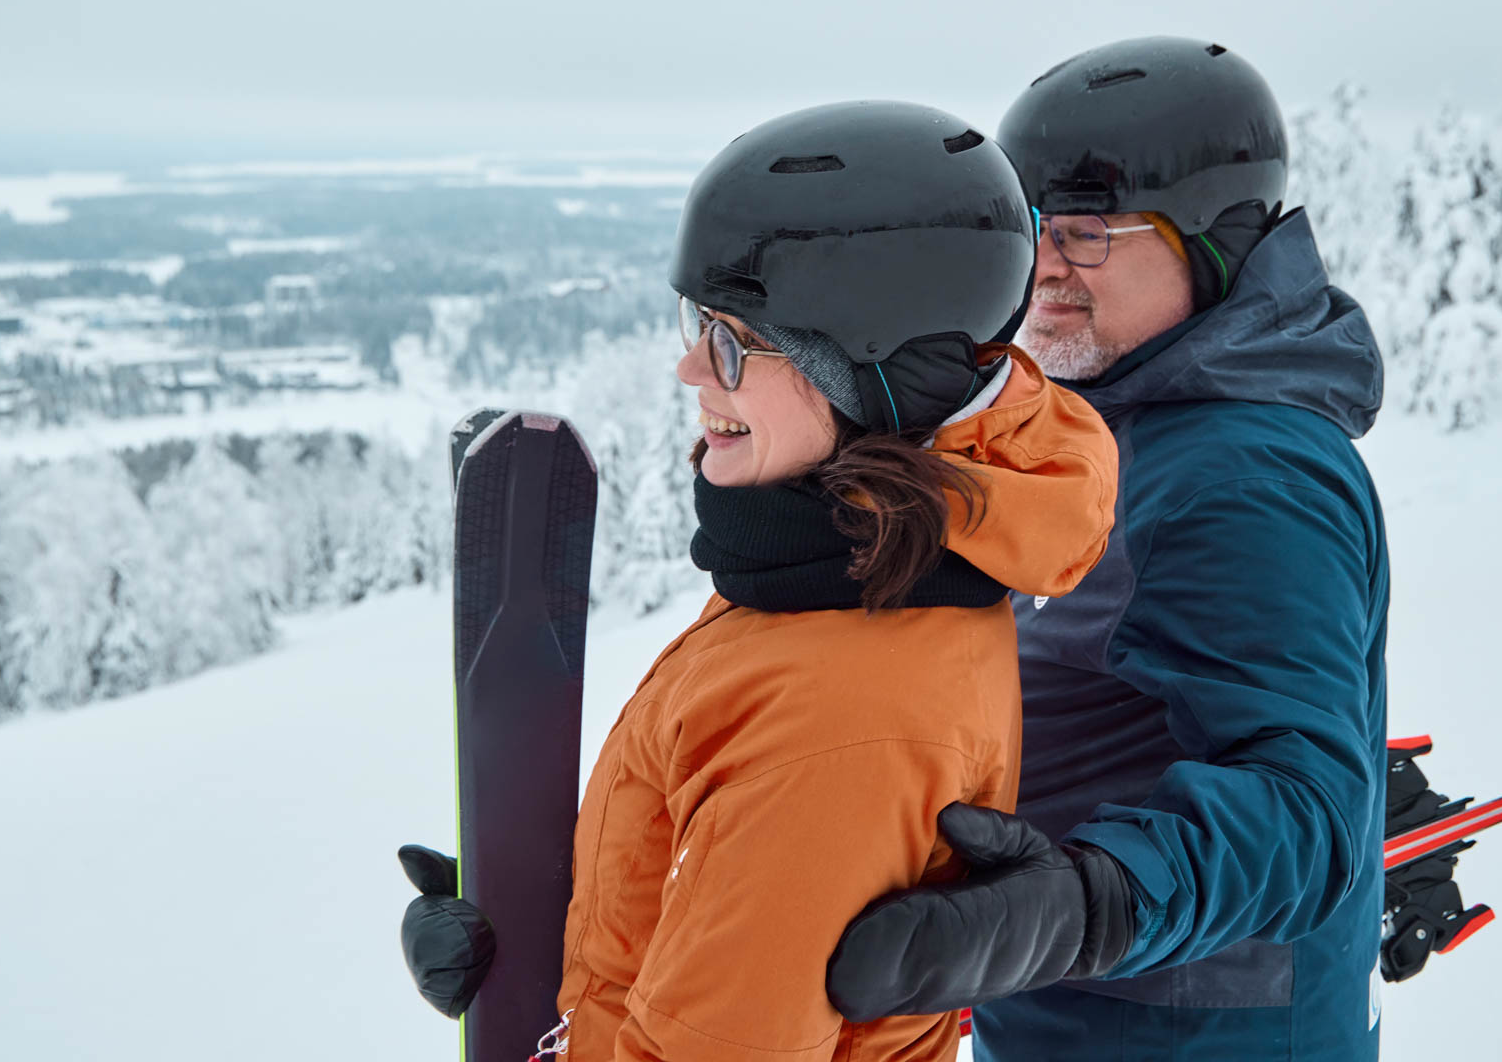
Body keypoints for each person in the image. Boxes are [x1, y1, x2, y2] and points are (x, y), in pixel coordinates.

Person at [399, 100, 1120, 1060]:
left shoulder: (838, 706)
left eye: (735, 342)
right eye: (699, 322)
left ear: (864, 378)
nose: (691, 366)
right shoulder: (838, 571)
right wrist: (555, 935)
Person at [826, 38, 1391, 1061]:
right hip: (1075, 1014)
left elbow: (1305, 809)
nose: (1042, 268)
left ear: (1215, 244)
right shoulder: (1108, 428)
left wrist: (1082, 907)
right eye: (1031, 229)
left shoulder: (1241, 473)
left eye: (1085, 235)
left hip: (1192, 1038)